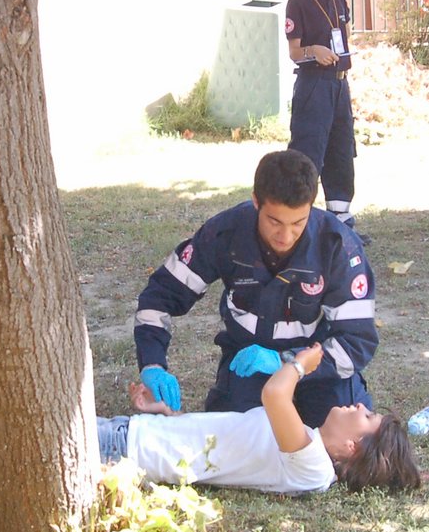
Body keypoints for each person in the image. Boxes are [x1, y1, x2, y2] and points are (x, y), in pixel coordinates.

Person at [0, 343, 422, 526]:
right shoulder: (303, 447)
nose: (357, 405)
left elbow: (278, 389)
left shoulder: (311, 463)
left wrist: (305, 360)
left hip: (121, 454)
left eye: (366, 417)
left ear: (351, 449)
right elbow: (221, 442)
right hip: (132, 436)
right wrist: (157, 415)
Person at [133, 149, 376, 429]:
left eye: (298, 223)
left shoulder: (337, 246)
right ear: (256, 201)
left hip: (317, 365)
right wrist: (152, 364)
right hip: (248, 361)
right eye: (274, 221)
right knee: (233, 438)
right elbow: (159, 297)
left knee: (343, 441)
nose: (285, 236)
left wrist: (287, 363)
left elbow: (358, 342)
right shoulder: (225, 234)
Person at [284, 0, 358, 228]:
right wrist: (314, 50)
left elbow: (345, 31)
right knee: (309, 147)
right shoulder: (298, 1)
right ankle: (296, 215)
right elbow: (294, 52)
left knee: (341, 147)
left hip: (339, 83)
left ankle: (340, 218)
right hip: (314, 85)